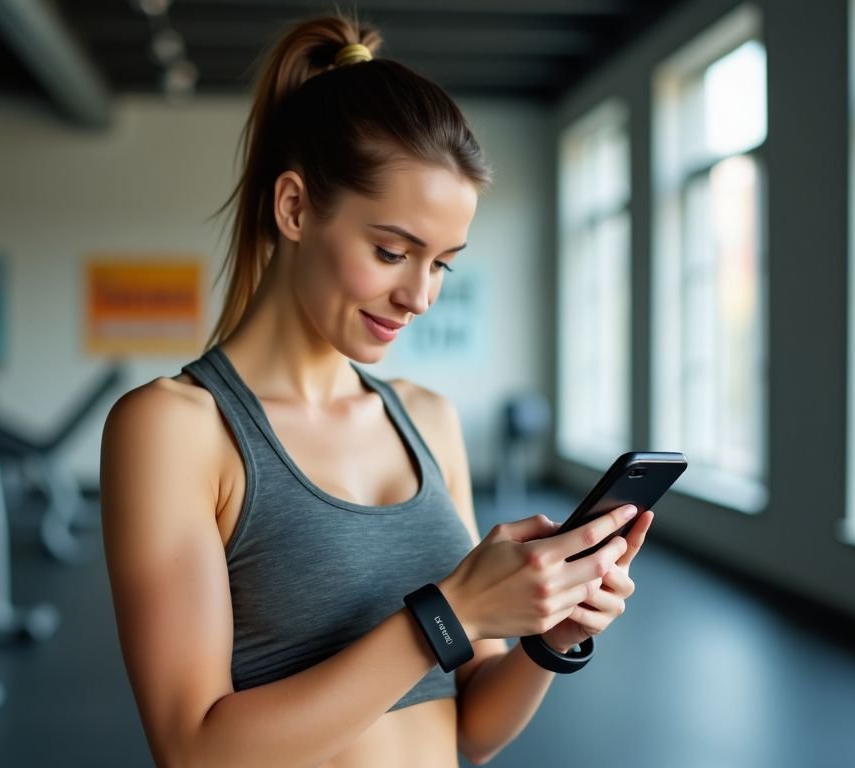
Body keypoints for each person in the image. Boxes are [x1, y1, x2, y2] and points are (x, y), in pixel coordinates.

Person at [99, 13, 654, 767]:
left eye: (442, 263)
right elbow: (194, 751)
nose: (420, 295)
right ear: (294, 208)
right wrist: (450, 612)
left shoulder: (428, 419)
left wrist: (553, 638)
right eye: (392, 251)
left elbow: (470, 730)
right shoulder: (175, 429)